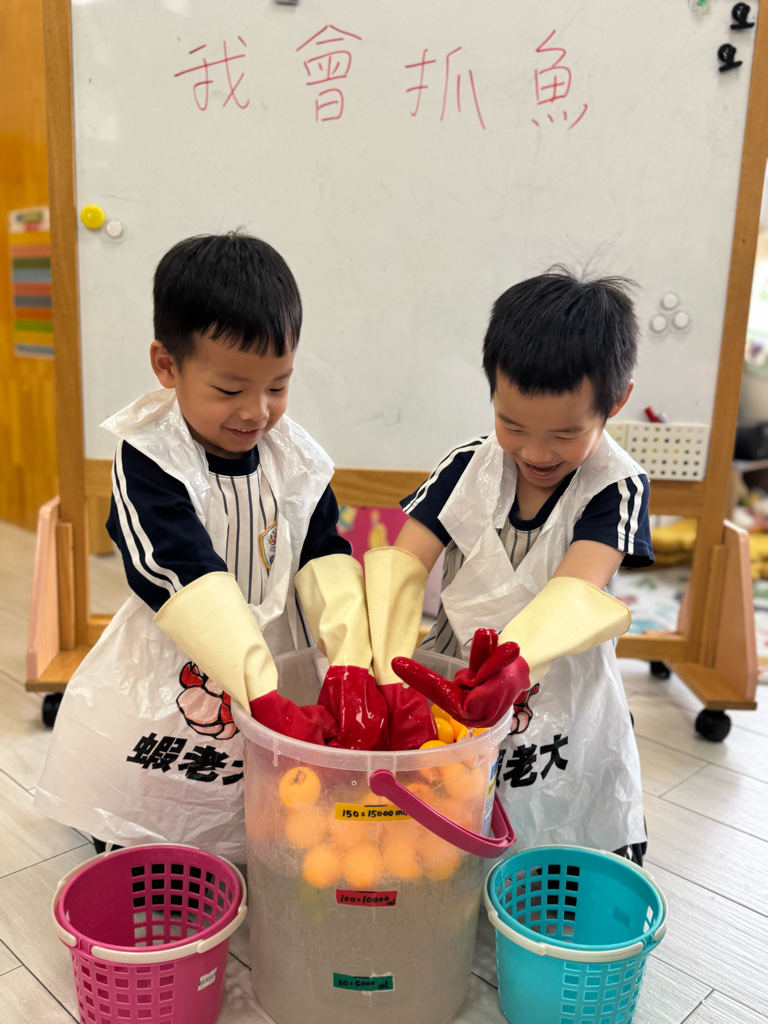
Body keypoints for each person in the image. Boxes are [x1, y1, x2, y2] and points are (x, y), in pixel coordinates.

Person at [34, 233, 431, 862]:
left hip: (274, 645)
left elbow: (323, 553)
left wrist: (352, 662)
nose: (256, 412)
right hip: (181, 647)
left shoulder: (294, 458)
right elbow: (176, 569)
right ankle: (142, 836)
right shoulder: (151, 456)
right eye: (229, 390)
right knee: (164, 776)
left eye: (278, 386)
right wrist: (258, 689)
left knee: (270, 799)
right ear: (168, 366)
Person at [390, 268, 653, 862]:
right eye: (511, 425)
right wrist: (376, 639)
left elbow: (575, 593)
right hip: (454, 682)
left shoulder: (615, 487)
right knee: (444, 841)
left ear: (615, 402)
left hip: (558, 695)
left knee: (557, 833)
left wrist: (510, 670)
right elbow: (402, 566)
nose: (536, 452)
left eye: (565, 433)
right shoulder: (465, 468)